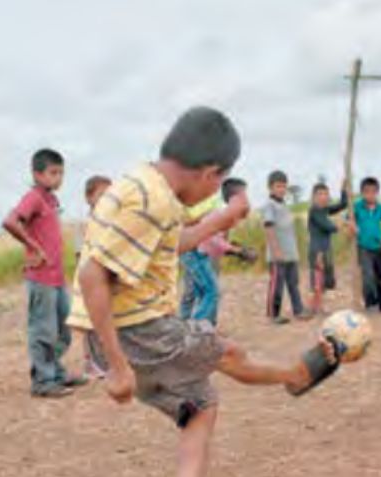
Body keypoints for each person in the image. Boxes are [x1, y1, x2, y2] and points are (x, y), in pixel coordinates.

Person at [66, 107, 339, 477]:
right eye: (218, 184)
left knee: (200, 404)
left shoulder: (142, 183)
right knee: (224, 351)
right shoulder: (153, 199)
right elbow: (90, 273)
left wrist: (224, 218)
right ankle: (295, 375)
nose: (215, 191)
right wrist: (116, 367)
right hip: (136, 332)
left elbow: (168, 243)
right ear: (211, 173)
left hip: (124, 330)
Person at [2, 149, 86, 398]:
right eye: (53, 172)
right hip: (41, 277)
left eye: (61, 173)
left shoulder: (51, 200)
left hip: (57, 277)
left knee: (64, 330)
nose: (58, 178)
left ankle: (55, 373)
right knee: (43, 330)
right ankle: (43, 381)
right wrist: (33, 246)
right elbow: (10, 221)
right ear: (37, 174)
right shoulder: (34, 197)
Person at [180, 178, 254, 326]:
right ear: (236, 198)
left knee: (203, 291)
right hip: (194, 253)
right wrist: (236, 251)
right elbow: (211, 240)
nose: (247, 199)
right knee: (210, 291)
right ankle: (194, 329)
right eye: (245, 195)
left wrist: (235, 249)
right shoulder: (220, 212)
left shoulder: (227, 213)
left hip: (199, 253)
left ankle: (198, 327)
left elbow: (216, 241)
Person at [262, 170, 311, 324]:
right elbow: (269, 228)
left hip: (291, 254)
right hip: (278, 255)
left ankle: (298, 310)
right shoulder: (269, 205)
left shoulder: (284, 205)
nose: (281, 189)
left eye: (284, 186)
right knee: (277, 284)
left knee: (293, 283)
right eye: (278, 186)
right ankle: (273, 314)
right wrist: (276, 251)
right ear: (270, 188)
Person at [76, 175, 112, 379]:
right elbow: (80, 255)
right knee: (90, 323)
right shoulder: (86, 225)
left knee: (107, 321)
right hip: (90, 281)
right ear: (88, 197)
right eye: (102, 195)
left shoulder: (110, 224)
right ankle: (91, 363)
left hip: (107, 278)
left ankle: (107, 361)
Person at [351, 177, 381, 313]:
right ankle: (371, 304)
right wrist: (353, 226)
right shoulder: (357, 207)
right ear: (362, 193)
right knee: (368, 276)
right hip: (363, 247)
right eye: (367, 192)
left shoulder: (380, 208)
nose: (370, 195)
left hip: (378, 247)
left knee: (380, 277)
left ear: (377, 193)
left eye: (373, 192)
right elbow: (347, 219)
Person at [307, 180, 348, 314]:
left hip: (325, 249)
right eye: (320, 194)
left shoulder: (324, 209)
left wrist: (343, 190)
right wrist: (344, 225)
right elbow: (328, 226)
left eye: (325, 194)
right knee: (318, 280)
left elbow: (343, 205)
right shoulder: (315, 211)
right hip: (317, 250)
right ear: (313, 197)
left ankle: (317, 306)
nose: (323, 197)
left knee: (325, 279)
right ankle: (315, 307)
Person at [178, 195, 222, 321]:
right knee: (195, 291)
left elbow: (220, 223)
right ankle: (189, 324)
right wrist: (203, 218)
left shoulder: (214, 197)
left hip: (206, 248)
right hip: (190, 250)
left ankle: (207, 324)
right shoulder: (186, 195)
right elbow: (181, 223)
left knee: (208, 289)